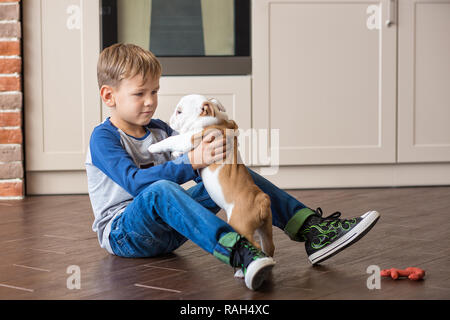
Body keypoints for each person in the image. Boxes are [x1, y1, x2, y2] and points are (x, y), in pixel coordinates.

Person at [85, 43, 380, 291]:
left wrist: (215, 136)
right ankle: (239, 250)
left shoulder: (161, 129)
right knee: (161, 189)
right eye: (140, 94)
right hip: (125, 234)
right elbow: (135, 182)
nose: (150, 102)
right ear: (109, 96)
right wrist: (193, 159)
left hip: (171, 230)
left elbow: (203, 159)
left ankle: (311, 229)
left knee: (236, 175)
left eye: (155, 92)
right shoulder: (104, 137)